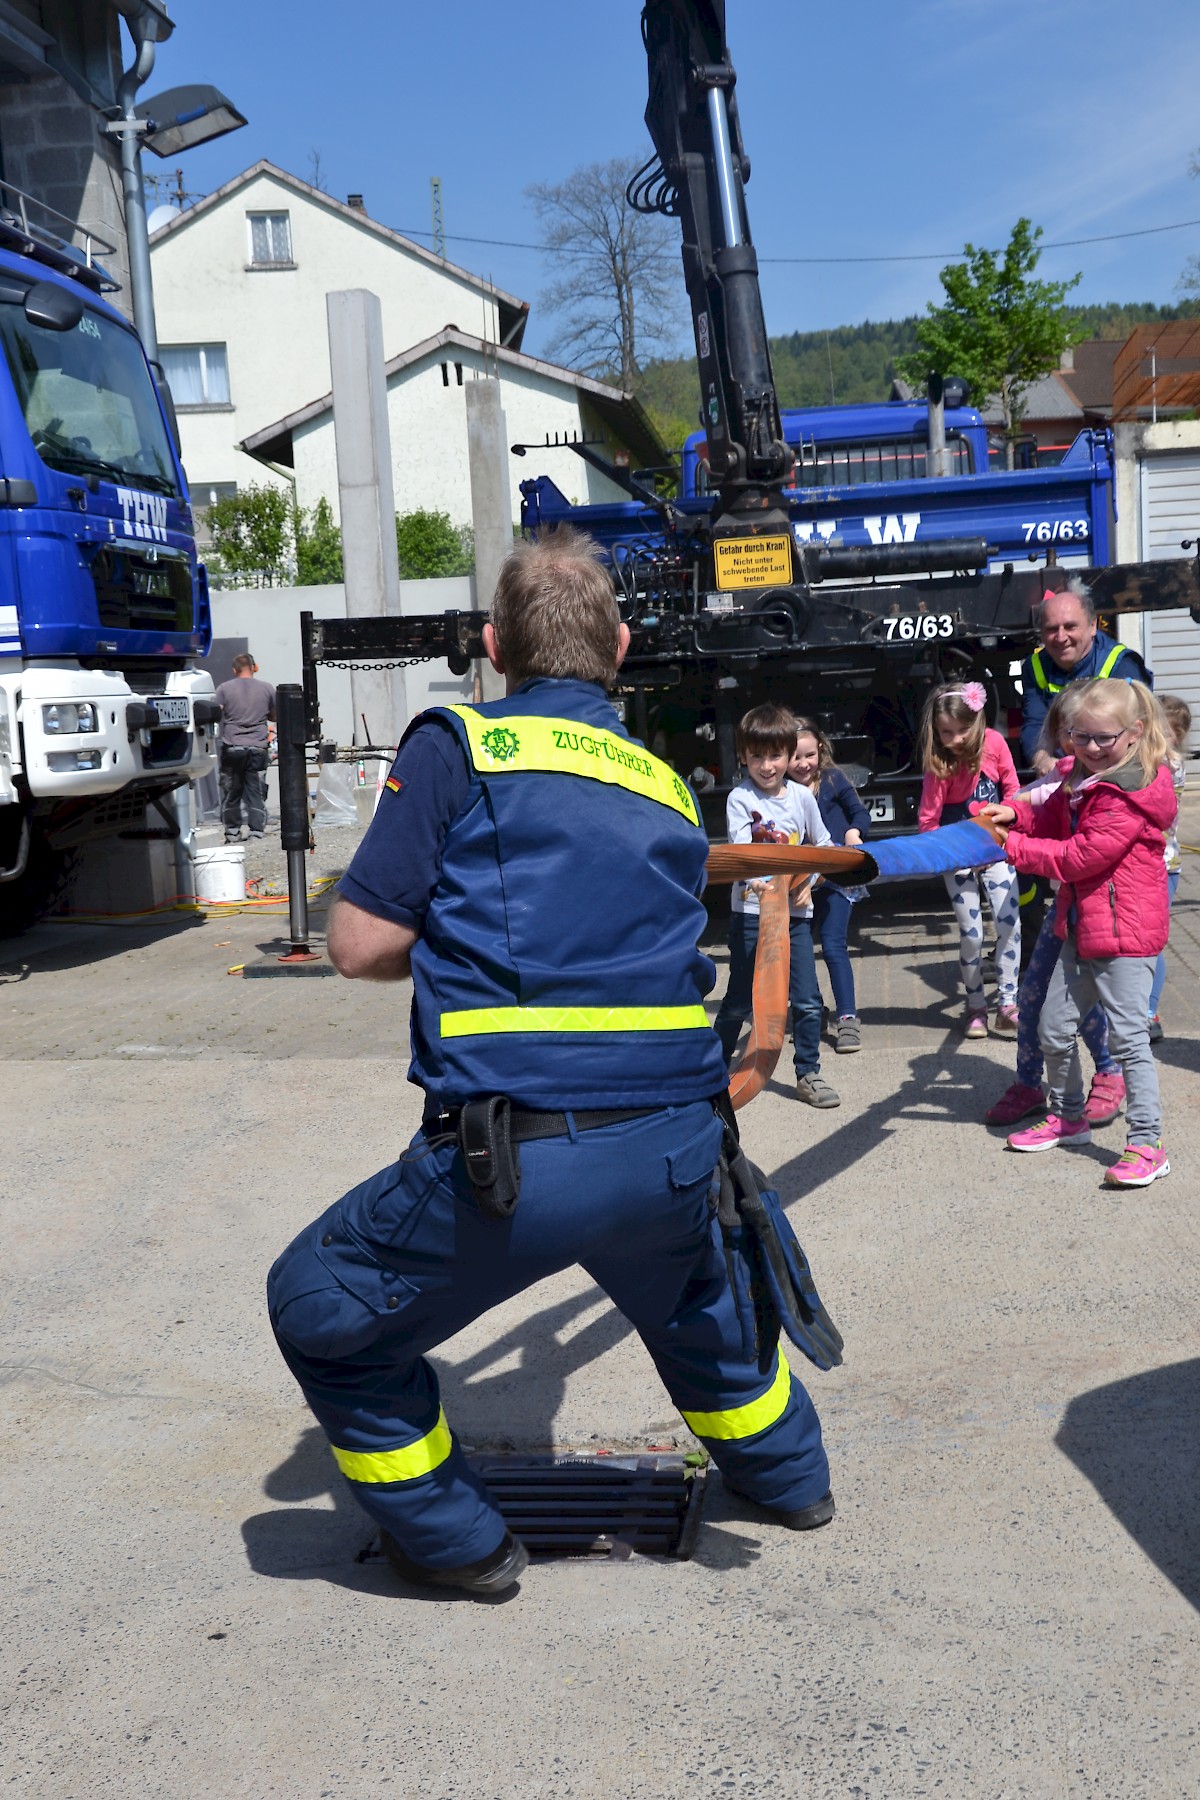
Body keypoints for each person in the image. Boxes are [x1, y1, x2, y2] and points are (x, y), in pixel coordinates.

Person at [267, 529, 835, 1599]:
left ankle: (454, 1542)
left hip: (514, 1163)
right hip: (676, 1145)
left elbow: (358, 945)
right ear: (620, 647)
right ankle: (792, 1477)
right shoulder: (665, 784)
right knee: (701, 1312)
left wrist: (463, 945)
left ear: (492, 646)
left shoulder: (458, 746)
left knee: (318, 1306)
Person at [993, 679, 1176, 1188]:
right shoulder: (1083, 775)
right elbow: (1051, 810)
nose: (1091, 749)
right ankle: (1069, 1116)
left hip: (1125, 937)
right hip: (1080, 927)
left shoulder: (1125, 795)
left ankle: (1146, 1143)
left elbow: (1077, 859)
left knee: (1128, 1040)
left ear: (1135, 734)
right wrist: (1015, 811)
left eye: (1104, 739)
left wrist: (1011, 846)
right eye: (1080, 737)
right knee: (1052, 1026)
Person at [982, 691, 1124, 1129]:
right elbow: (1028, 801)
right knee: (1030, 996)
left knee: (1087, 1005)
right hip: (1064, 909)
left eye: (1085, 732)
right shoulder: (1063, 777)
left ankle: (1109, 1073)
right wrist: (1005, 811)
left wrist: (1016, 845)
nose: (1076, 742)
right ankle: (1028, 1084)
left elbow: (1076, 854)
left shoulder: (1115, 786)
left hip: (1102, 914)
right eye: (1069, 731)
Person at [714, 705, 839, 1107]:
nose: (767, 766)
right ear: (743, 757)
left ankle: (809, 1073)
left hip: (795, 919)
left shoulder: (802, 797)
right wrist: (756, 882)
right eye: (757, 757)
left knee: (805, 999)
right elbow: (741, 853)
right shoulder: (739, 798)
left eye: (775, 756)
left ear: (789, 755)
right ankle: (713, 1068)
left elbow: (823, 848)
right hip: (751, 917)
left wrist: (811, 881)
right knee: (739, 999)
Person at [917, 680, 1021, 1037]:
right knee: (972, 934)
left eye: (963, 730)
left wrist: (1012, 817)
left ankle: (1008, 1002)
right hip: (958, 855)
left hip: (997, 847)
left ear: (977, 722)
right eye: (946, 732)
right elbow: (928, 821)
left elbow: (1013, 789)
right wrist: (940, 854)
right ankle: (976, 1005)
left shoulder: (994, 743)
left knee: (1010, 926)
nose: (956, 739)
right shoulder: (939, 762)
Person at [788, 716, 870, 1054]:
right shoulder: (783, 791)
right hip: (800, 882)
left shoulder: (834, 779)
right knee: (800, 950)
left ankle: (848, 1018)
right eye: (795, 757)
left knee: (834, 944)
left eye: (809, 755)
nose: (804, 764)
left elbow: (859, 814)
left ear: (820, 749)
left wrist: (854, 832)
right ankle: (812, 1012)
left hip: (836, 879)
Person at [1020, 581, 1150, 774]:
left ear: (1092, 626)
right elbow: (1035, 723)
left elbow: (1139, 733)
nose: (1061, 637)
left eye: (1070, 626)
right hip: (1063, 773)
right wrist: (1042, 760)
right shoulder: (1035, 666)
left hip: (1114, 773)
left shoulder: (1122, 664)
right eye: (1051, 629)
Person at [1146, 694, 1190, 1043]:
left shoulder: (1168, 765)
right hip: (1149, 864)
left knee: (1153, 942)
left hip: (1162, 864)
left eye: (1162, 729)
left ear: (1176, 736)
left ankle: (1149, 1010)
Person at [213, 652, 276, 843]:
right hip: (258, 747)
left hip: (232, 746)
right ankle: (256, 833)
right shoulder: (267, 688)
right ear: (254, 667)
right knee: (255, 792)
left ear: (235, 670)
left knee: (232, 792)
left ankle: (232, 833)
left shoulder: (224, 688)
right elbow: (275, 716)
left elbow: (215, 714)